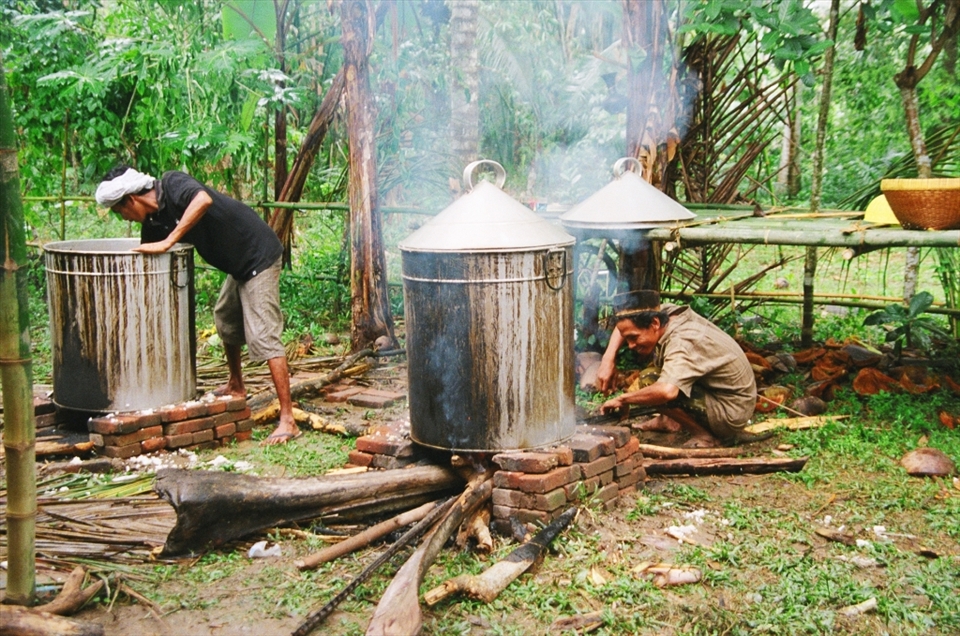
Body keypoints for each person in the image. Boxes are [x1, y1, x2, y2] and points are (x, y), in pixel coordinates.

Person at [95, 166, 299, 445]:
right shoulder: (153, 223)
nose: (124, 218)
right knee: (225, 318)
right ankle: (236, 385)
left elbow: (203, 200)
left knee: (264, 335)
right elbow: (146, 264)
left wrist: (170, 240)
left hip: (257, 254)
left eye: (121, 212)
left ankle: (288, 419)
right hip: (237, 264)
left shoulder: (172, 183)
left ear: (131, 200)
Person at [598, 290, 757, 447]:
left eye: (634, 338)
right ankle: (668, 420)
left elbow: (666, 391)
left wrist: (623, 399)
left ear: (654, 324)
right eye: (628, 339)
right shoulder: (663, 314)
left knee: (650, 380)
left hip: (730, 411)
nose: (631, 345)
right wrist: (608, 358)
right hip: (722, 394)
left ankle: (704, 437)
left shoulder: (682, 341)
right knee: (661, 374)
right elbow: (625, 325)